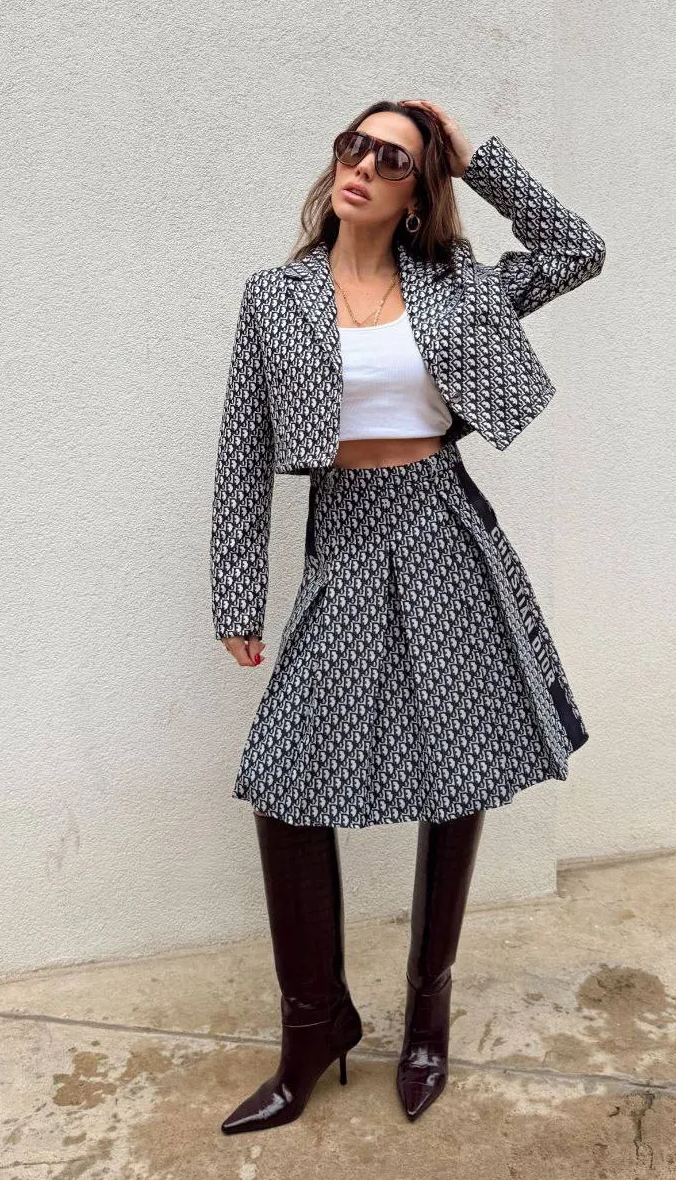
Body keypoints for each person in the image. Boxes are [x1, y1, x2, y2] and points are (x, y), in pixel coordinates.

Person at [211, 98, 606, 1132]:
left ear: (418, 189)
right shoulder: (275, 297)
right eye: (355, 144)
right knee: (284, 783)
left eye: (393, 158)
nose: (363, 165)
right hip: (344, 536)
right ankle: (315, 1025)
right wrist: (238, 594)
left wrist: (473, 157)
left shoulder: (458, 287)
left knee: (458, 767)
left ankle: (429, 1010)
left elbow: (577, 250)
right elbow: (242, 449)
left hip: (443, 527)